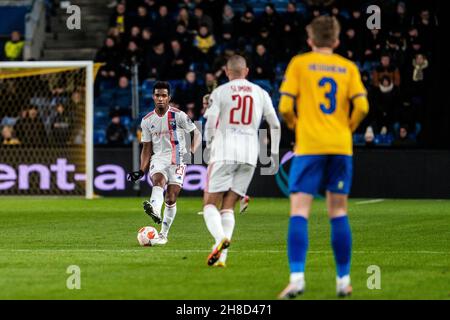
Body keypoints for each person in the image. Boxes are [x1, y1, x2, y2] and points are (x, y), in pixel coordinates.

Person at [277, 16, 369, 299]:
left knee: (300, 211)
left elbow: (284, 106)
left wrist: (296, 125)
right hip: (341, 146)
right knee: (339, 212)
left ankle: (297, 279)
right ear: (337, 41)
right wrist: (347, 128)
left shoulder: (300, 63)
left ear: (310, 40)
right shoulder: (348, 67)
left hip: (310, 146)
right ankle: (343, 281)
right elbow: (363, 106)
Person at [202, 55, 281, 267]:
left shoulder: (220, 92)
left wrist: (209, 145)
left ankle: (220, 240)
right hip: (249, 154)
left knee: (210, 203)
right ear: (246, 71)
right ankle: (222, 257)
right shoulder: (261, 93)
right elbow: (275, 125)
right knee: (228, 205)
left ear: (227, 72)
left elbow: (210, 122)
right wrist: (273, 154)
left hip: (224, 151)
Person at [127, 81, 201, 245]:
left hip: (178, 158)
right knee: (158, 180)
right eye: (157, 95)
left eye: (164, 95)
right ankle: (154, 209)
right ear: (153, 97)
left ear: (169, 97)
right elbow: (146, 147)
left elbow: (197, 133)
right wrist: (141, 170)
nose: (160, 98)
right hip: (159, 157)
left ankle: (163, 235)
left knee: (171, 197)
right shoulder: (147, 120)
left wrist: (192, 151)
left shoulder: (179, 115)